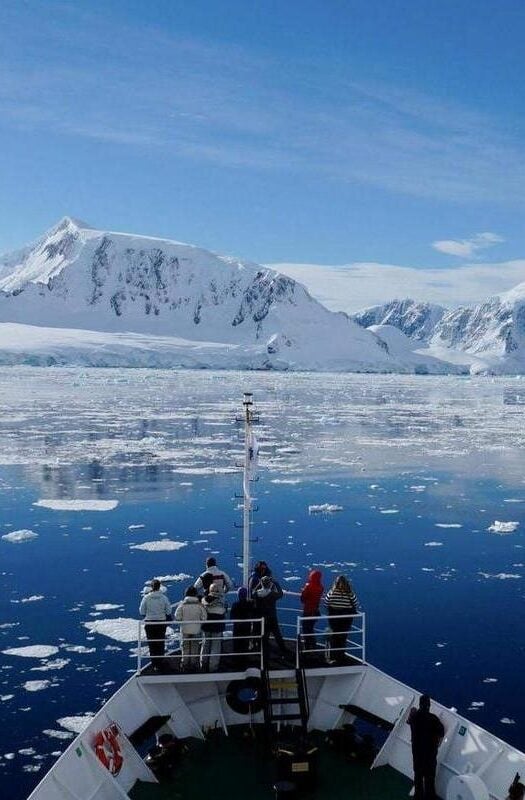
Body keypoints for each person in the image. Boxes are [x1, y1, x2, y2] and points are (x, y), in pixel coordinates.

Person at [408, 694, 445, 800]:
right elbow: (441, 732)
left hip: (417, 754)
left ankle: (418, 797)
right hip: (429, 755)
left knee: (418, 777)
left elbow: (410, 720)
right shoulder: (433, 719)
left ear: (420, 704)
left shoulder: (414, 717)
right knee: (429, 779)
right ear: (429, 705)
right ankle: (430, 797)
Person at [139, 579, 172, 671]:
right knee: (160, 642)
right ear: (159, 587)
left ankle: (154, 664)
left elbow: (142, 611)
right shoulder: (164, 598)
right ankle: (161, 662)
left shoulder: (146, 598)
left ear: (151, 587)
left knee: (152, 644)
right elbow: (169, 610)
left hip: (150, 623)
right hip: (161, 623)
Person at [324, 574, 358, 665]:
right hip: (346, 619)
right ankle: (341, 656)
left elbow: (326, 602)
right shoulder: (349, 593)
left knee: (334, 636)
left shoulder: (332, 592)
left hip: (334, 618)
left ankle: (333, 655)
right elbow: (355, 603)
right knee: (343, 636)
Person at [253, 574, 287, 657]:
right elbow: (281, 594)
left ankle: (264, 652)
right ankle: (283, 649)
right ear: (269, 584)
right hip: (272, 617)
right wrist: (275, 582)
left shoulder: (257, 594)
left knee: (264, 635)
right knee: (277, 634)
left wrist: (259, 583)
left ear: (262, 583)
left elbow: (253, 591)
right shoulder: (272, 594)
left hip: (262, 617)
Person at [174, 586, 207, 671]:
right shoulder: (199, 605)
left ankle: (185, 664)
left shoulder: (182, 604)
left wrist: (182, 621)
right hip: (196, 630)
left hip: (185, 629)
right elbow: (204, 617)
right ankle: (193, 663)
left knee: (185, 646)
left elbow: (177, 616)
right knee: (194, 646)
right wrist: (199, 623)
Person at [200, 581, 227, 671]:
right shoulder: (221, 601)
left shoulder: (204, 600)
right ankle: (213, 667)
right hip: (217, 626)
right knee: (215, 647)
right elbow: (223, 610)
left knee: (206, 645)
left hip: (206, 626)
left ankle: (203, 664)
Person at [230, 587, 254, 667]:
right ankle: (244, 660)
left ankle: (236, 661)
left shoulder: (235, 605)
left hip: (237, 627)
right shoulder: (250, 604)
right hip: (246, 626)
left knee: (236, 644)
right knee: (245, 643)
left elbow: (231, 617)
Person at [300, 569, 323, 653]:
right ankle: (313, 646)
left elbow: (303, 599)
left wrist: (303, 590)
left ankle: (308, 647)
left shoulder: (309, 586)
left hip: (308, 610)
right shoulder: (320, 587)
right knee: (311, 628)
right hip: (315, 611)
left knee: (306, 629)